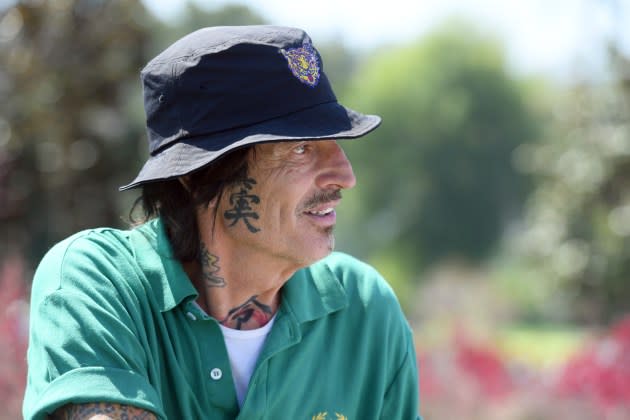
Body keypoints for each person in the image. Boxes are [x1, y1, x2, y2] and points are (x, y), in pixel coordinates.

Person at [23, 25, 421, 419]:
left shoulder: (364, 310)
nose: (345, 176)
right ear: (197, 174)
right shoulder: (97, 282)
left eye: (337, 144)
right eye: (301, 148)